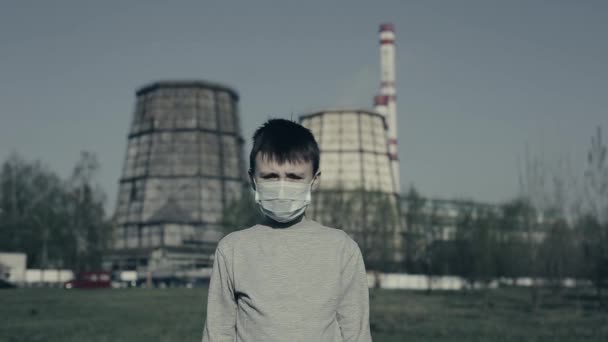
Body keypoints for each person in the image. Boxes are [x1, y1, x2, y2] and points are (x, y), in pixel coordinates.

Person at [202, 118, 373, 342]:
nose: (282, 187)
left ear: (314, 180)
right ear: (253, 179)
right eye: (270, 176)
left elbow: (356, 333)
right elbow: (218, 333)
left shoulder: (342, 249)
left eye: (294, 177)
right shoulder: (233, 249)